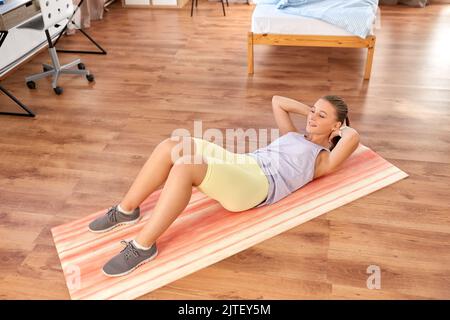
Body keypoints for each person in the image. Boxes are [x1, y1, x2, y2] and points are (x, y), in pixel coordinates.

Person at [89, 95, 360, 277]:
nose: (312, 118)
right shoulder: (293, 134)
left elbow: (353, 137)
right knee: (171, 146)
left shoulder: (323, 159)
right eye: (313, 111)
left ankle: (143, 245)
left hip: (257, 185)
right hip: (244, 163)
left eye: (321, 116)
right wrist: (313, 114)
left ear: (336, 125)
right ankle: (126, 210)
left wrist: (338, 129)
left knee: (186, 166)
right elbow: (278, 101)